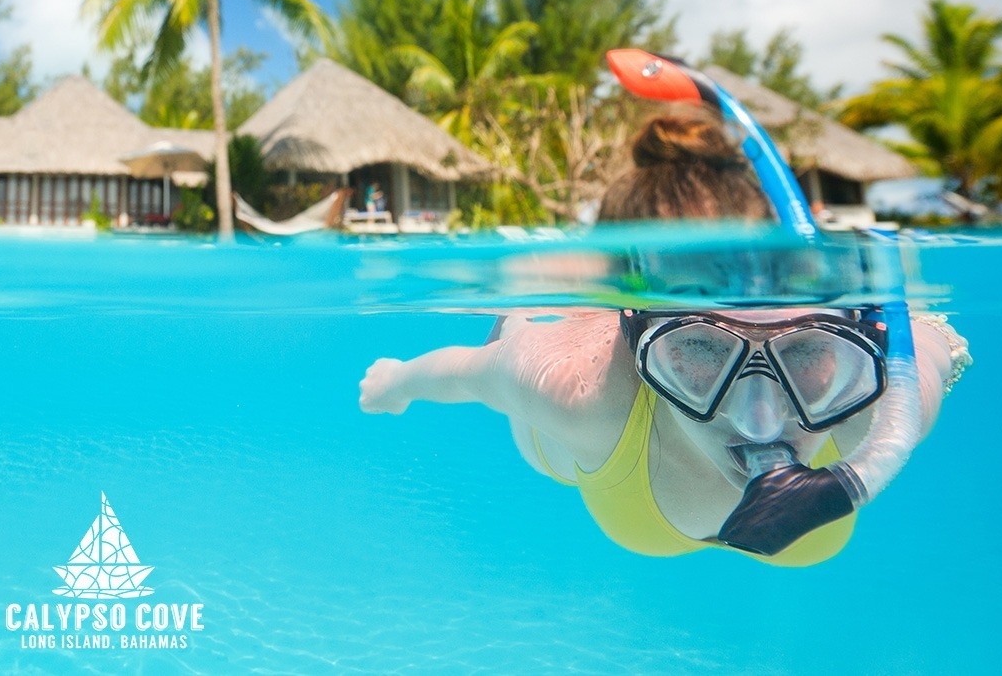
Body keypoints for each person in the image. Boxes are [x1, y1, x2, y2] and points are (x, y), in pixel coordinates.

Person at [360, 107, 970, 565]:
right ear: (636, 332)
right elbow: (470, 371)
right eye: (699, 349)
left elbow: (937, 343)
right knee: (533, 384)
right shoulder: (578, 393)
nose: (760, 422)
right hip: (599, 455)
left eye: (806, 348)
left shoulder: (881, 399)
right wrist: (397, 381)